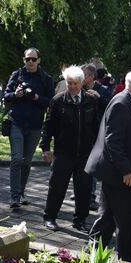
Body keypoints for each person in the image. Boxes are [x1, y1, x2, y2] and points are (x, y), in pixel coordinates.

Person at [85, 69, 131, 261]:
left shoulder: (128, 101)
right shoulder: (122, 103)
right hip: (119, 173)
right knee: (128, 218)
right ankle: (129, 259)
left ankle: (93, 250)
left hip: (115, 171)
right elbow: (113, 140)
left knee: (107, 216)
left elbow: (128, 135)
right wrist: (126, 169)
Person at [39, 66, 101, 232]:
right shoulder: (58, 100)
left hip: (85, 153)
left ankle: (80, 219)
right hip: (63, 152)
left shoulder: (91, 100)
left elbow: (97, 125)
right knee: (57, 187)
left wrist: (99, 148)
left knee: (84, 189)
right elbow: (49, 125)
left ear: (82, 83)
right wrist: (45, 147)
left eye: (75, 83)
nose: (72, 86)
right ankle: (50, 217)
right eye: (69, 83)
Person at [3, 48, 54, 210]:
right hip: (16, 122)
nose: (30, 62)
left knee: (26, 162)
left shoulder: (46, 79)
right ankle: (14, 196)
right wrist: (16, 95)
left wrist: (37, 98)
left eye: (33, 59)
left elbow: (51, 102)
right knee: (17, 159)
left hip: (35, 126)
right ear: (23, 60)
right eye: (27, 59)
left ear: (39, 60)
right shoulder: (16, 75)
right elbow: (6, 95)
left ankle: (21, 192)